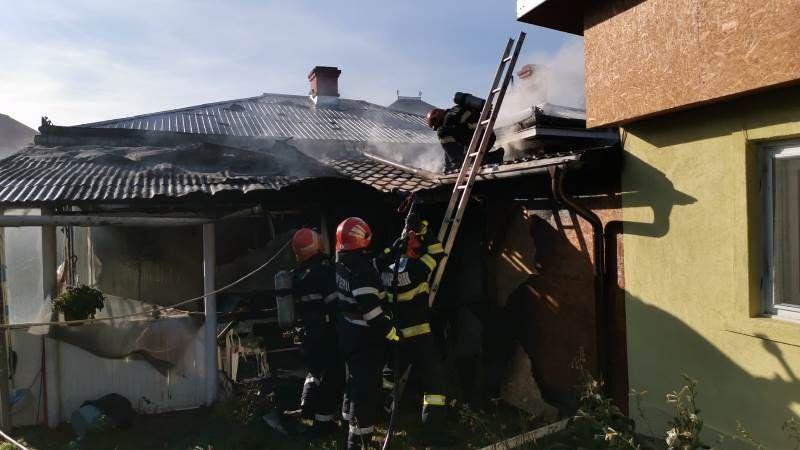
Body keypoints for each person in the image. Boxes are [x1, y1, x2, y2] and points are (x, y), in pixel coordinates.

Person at [378, 218, 451, 445]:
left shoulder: (386, 272)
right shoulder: (417, 269)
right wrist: (424, 230)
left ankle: (382, 415)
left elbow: (380, 259)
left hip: (396, 337)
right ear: (410, 249)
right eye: (414, 242)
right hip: (419, 337)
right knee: (434, 384)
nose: (416, 243)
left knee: (389, 377)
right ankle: (432, 433)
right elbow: (438, 251)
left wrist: (398, 244)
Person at [334, 217, 399, 449]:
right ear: (363, 237)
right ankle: (359, 442)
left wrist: (394, 250)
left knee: (353, 383)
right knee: (365, 392)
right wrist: (392, 333)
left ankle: (347, 424)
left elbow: (373, 263)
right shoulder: (362, 270)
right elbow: (372, 313)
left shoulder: (343, 261)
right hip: (364, 339)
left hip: (348, 333)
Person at [289, 228, 344, 437]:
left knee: (314, 372)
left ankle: (307, 409)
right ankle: (323, 424)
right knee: (332, 375)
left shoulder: (298, 274)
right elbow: (335, 303)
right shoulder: (324, 270)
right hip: (327, 333)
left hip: (308, 333)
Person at [426, 92, 497, 172]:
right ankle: (495, 156)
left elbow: (450, 146)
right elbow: (449, 146)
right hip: (486, 136)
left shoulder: (448, 120)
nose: (438, 127)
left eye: (437, 126)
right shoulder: (456, 109)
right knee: (466, 155)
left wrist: (453, 164)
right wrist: (447, 165)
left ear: (438, 119)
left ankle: (458, 163)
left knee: (442, 132)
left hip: (479, 138)